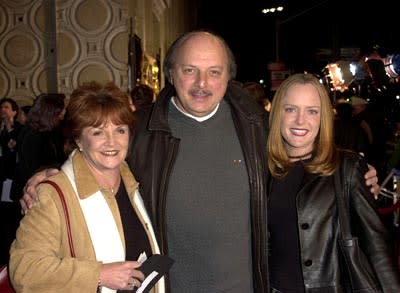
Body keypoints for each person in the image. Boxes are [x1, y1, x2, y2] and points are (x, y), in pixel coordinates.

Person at [20, 31, 379, 292]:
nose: (202, 83)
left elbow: (300, 155)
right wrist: (47, 174)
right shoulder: (143, 131)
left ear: (228, 76)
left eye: (214, 71)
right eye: (190, 70)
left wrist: (357, 171)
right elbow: (98, 153)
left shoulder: (254, 126)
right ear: (171, 73)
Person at [9, 81, 165, 292]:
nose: (112, 142)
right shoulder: (53, 195)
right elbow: (24, 271)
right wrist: (99, 275)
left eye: (120, 130)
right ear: (79, 140)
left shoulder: (136, 184)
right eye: (98, 132)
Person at [267, 73, 400, 292]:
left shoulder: (347, 168)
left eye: (312, 111)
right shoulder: (262, 169)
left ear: (323, 118)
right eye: (290, 109)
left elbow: (376, 246)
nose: (300, 120)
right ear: (277, 113)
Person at [12, 93, 67, 201]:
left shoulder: (48, 131)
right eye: (63, 108)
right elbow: (35, 168)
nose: (65, 111)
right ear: (52, 110)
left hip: (42, 188)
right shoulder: (34, 134)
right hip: (36, 192)